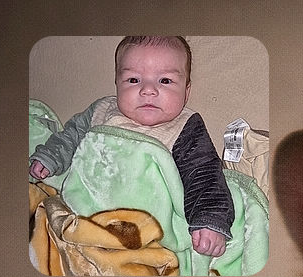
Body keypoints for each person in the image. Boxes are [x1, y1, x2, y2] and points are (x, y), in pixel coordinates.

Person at [29, 35, 233, 257]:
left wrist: (209, 220)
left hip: (146, 232)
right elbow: (69, 137)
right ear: (117, 83)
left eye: (164, 81)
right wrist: (51, 157)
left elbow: (204, 174)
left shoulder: (185, 126)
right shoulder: (102, 111)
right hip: (79, 214)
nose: (148, 90)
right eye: (134, 80)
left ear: (187, 91)